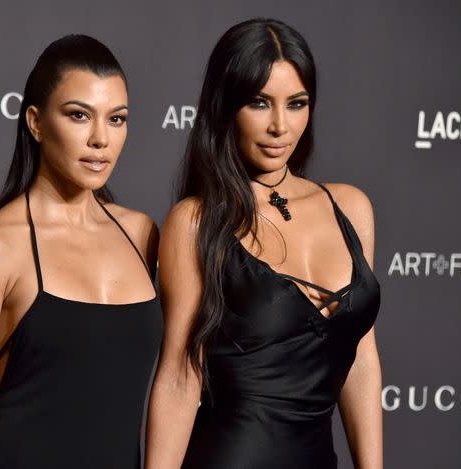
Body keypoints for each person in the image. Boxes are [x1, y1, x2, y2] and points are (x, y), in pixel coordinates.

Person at [145, 18, 382, 469]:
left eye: (296, 104)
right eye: (259, 103)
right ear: (225, 107)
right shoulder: (195, 222)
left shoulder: (352, 207)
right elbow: (179, 376)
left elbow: (363, 362)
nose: (279, 126)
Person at [0, 34, 161, 469]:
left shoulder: (143, 234)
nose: (100, 139)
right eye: (79, 115)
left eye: (117, 119)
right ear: (36, 122)